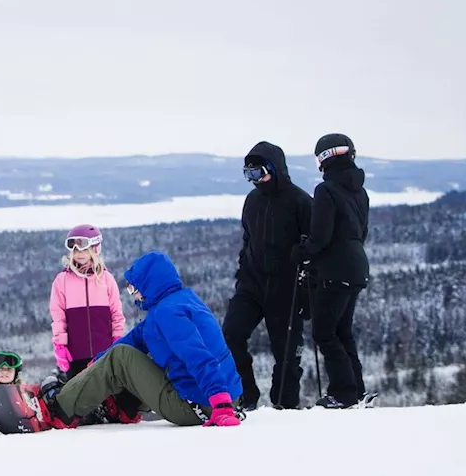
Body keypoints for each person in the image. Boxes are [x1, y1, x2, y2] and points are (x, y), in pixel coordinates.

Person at [36, 250, 245, 428]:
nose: (134, 294)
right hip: (221, 398)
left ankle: (56, 410)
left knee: (121, 357)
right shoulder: (179, 302)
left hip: (201, 405)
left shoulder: (168, 314)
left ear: (149, 285)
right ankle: (122, 406)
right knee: (135, 353)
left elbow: (198, 356)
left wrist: (221, 404)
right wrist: (96, 364)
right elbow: (135, 339)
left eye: (134, 288)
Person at [222, 141, 313, 410]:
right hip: (252, 285)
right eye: (248, 174)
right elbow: (247, 240)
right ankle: (246, 396)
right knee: (230, 336)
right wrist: (242, 273)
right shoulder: (252, 200)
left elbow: (315, 248)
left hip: (286, 289)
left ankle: (284, 406)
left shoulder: (300, 202)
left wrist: (308, 289)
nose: (254, 180)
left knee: (286, 354)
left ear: (274, 168)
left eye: (259, 173)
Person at [291, 133, 372, 409]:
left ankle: (344, 393)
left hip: (334, 270)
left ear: (323, 159)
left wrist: (303, 250)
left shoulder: (326, 191)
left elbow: (321, 236)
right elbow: (361, 232)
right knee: (342, 331)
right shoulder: (359, 191)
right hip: (357, 266)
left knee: (325, 333)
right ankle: (356, 390)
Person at [50, 224, 125, 378]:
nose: (79, 254)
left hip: (104, 353)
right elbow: (58, 317)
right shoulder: (62, 280)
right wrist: (60, 345)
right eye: (75, 250)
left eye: (84, 249)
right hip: (75, 354)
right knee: (79, 398)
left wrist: (118, 339)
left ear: (95, 250)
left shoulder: (106, 279)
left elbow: (116, 313)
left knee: (107, 397)